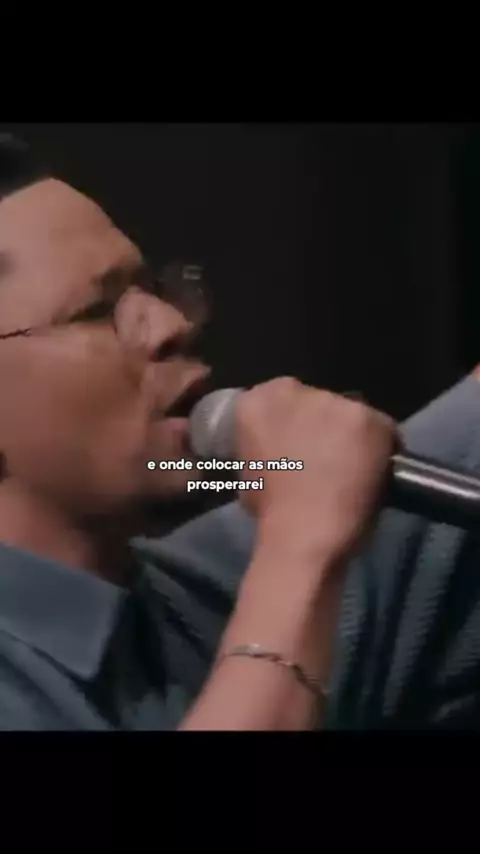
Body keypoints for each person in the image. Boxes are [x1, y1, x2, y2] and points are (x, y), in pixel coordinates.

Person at [0, 133, 399, 730]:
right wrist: (302, 549)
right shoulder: (289, 551)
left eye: (151, 290)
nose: (172, 324)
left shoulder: (203, 581)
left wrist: (302, 508)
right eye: (96, 311)